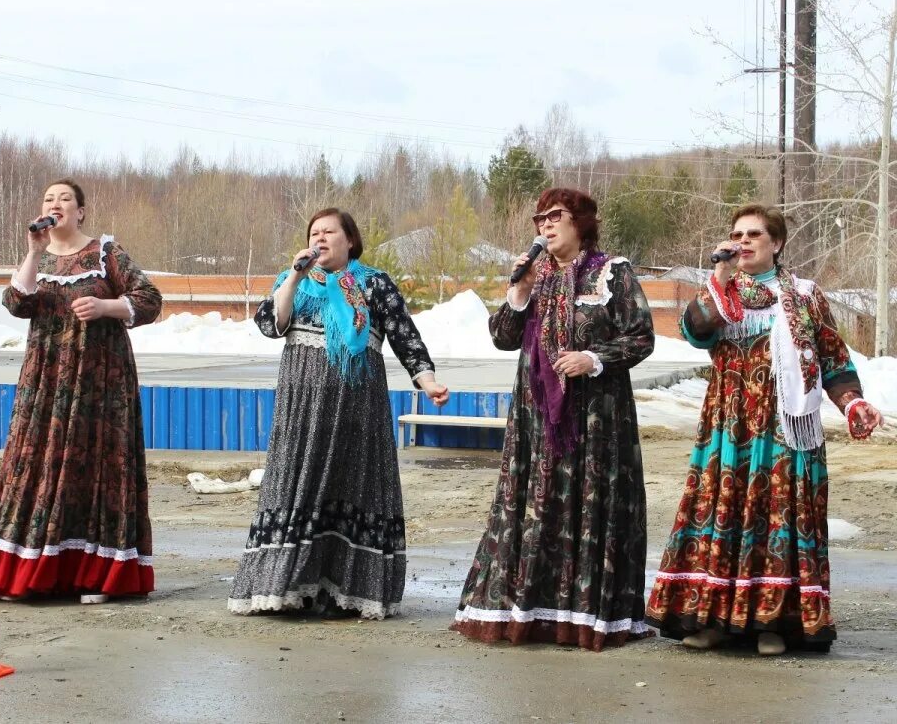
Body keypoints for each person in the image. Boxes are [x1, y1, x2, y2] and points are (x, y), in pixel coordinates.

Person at [646, 204, 885, 655]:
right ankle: (715, 618)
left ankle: (774, 623)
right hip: (729, 427)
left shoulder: (806, 294)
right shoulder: (722, 291)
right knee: (723, 512)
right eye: (737, 234)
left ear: (776, 243)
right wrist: (718, 277)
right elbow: (695, 331)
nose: (744, 241)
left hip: (785, 428)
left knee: (777, 516)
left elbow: (833, 359)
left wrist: (852, 402)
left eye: (754, 234)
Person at [452, 188, 656, 651]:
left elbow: (642, 337)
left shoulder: (612, 273)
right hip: (534, 418)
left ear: (581, 221)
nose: (545, 225)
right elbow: (503, 337)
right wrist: (519, 291)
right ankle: (529, 611)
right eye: (539, 218)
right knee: (534, 503)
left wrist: (593, 357)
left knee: (588, 504)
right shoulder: (535, 276)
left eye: (555, 216)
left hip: (597, 418)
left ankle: (584, 617)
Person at [227, 208, 450, 620]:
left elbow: (405, 335)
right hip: (302, 410)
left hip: (357, 407)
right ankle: (287, 586)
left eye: (330, 231)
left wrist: (427, 380)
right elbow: (270, 324)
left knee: (354, 486)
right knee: (296, 486)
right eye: (315, 232)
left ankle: (347, 590)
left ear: (350, 240)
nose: (321, 238)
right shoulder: (292, 281)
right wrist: (293, 276)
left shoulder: (373, 283)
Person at [0, 178, 162, 603]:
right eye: (49, 198)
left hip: (100, 382)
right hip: (46, 380)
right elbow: (17, 303)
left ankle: (101, 575)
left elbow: (150, 298)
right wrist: (33, 251)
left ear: (81, 211)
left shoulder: (106, 252)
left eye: (65, 199)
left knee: (100, 465)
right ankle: (30, 567)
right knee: (34, 462)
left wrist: (106, 307)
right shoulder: (39, 256)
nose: (56, 204)